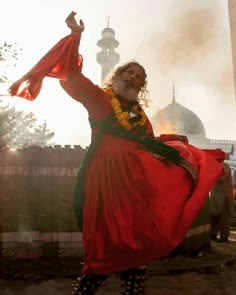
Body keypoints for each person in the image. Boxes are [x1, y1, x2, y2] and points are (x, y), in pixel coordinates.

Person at [9, 11, 225, 295]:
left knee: (136, 248)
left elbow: (150, 142)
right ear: (118, 75)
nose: (134, 78)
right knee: (102, 251)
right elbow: (72, 75)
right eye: (129, 73)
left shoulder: (138, 114)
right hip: (107, 182)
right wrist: (76, 36)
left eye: (139, 77)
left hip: (135, 187)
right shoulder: (100, 100)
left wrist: (177, 146)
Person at [209, 162, 235, 242]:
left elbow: (221, 178)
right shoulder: (212, 165)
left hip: (224, 197)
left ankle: (224, 236)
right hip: (215, 196)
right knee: (213, 216)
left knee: (224, 218)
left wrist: (210, 172)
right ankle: (213, 234)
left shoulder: (225, 166)